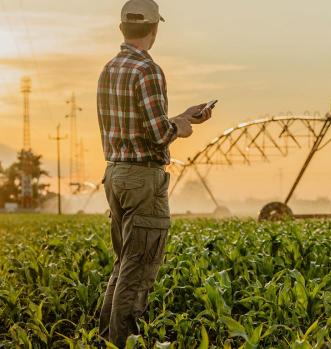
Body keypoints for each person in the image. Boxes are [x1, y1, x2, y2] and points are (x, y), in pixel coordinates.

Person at [96, 0, 213, 346]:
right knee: (139, 270)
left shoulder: (109, 69)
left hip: (115, 175)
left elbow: (137, 126)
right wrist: (181, 127)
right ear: (154, 30)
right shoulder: (147, 70)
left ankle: (106, 340)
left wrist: (179, 117)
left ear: (122, 29)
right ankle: (124, 343)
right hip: (142, 179)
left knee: (124, 266)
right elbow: (158, 134)